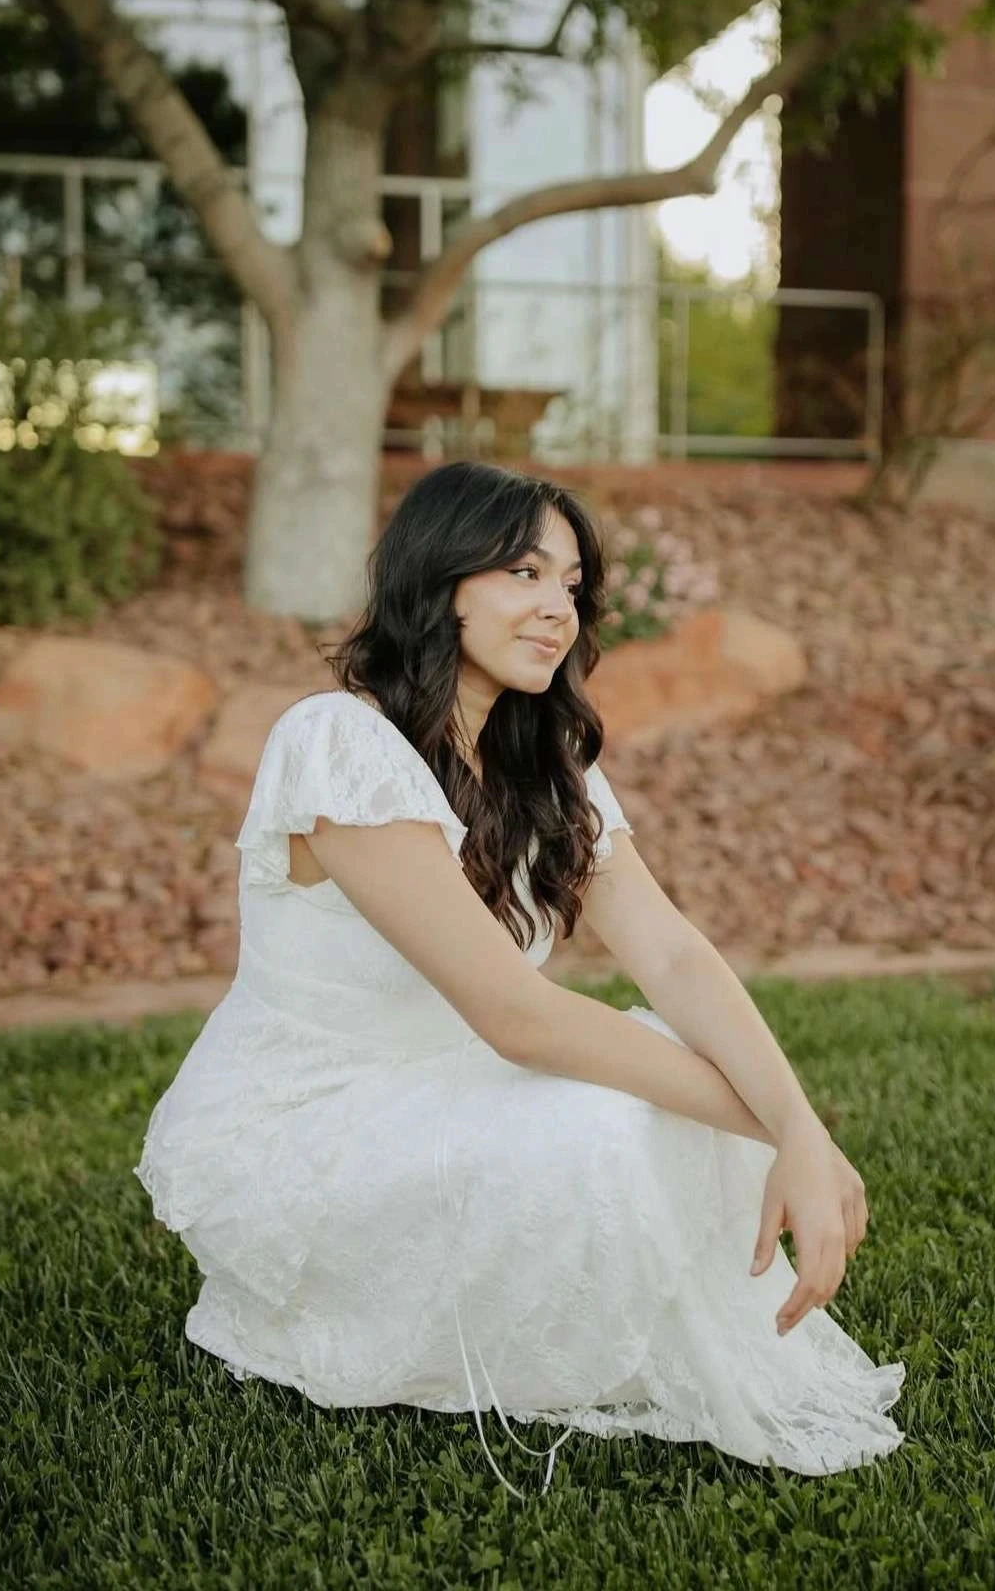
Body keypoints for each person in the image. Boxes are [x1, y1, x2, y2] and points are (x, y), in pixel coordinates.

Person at [135, 460, 904, 1497]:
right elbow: (518, 1018)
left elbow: (672, 953)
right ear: (439, 578)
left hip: (453, 1092)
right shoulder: (337, 743)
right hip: (313, 1128)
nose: (557, 608)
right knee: (614, 1119)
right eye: (524, 573)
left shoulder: (547, 762)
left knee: (665, 1069)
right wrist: (774, 1132)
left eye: (571, 585)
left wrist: (797, 1122)